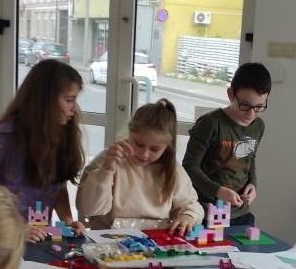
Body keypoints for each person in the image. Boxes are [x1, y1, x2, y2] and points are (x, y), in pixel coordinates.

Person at [0, 59, 86, 242]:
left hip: (39, 237)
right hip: (0, 238)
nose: (74, 108)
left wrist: (68, 221)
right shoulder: (3, 136)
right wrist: (16, 230)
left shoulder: (61, 134)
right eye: (69, 100)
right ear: (45, 101)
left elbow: (57, 187)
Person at [77, 99, 204, 232]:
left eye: (154, 149)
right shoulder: (108, 160)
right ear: (129, 133)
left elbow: (191, 204)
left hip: (156, 238)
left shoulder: (172, 169)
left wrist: (188, 216)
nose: (144, 154)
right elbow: (90, 209)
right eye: (139, 144)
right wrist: (106, 171)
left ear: (166, 147)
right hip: (108, 236)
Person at [182, 62, 271, 226]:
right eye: (244, 105)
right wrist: (218, 191)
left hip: (240, 214)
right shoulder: (211, 123)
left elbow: (250, 159)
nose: (251, 114)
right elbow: (189, 166)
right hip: (205, 211)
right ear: (231, 94)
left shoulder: (258, 127)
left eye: (259, 107)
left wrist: (253, 184)